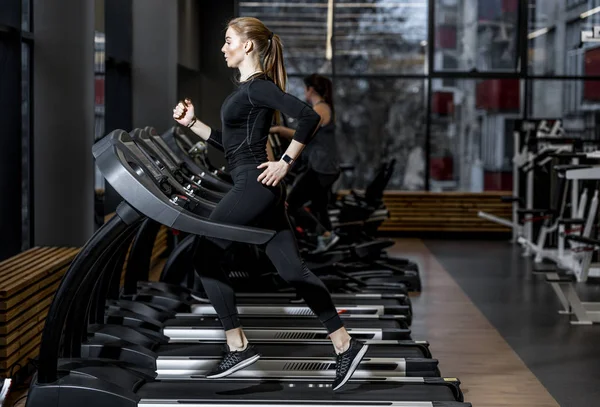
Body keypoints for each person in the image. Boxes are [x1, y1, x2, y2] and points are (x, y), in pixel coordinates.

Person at [172, 16, 367, 391]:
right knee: (293, 271)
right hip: (258, 184)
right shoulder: (249, 91)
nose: (223, 47)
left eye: (228, 40)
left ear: (247, 45)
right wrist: (193, 123)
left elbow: (310, 117)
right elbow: (231, 147)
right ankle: (345, 344)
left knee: (204, 257)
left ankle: (238, 344)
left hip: (253, 185)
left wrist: (286, 162)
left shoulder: (257, 87)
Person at [270, 73, 341, 253]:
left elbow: (303, 134)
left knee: (291, 203)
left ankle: (325, 235)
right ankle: (328, 240)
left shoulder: (321, 109)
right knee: (319, 206)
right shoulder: (322, 108)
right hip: (324, 167)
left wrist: (278, 130)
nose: (304, 92)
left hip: (321, 168)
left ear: (310, 89)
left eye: (305, 89)